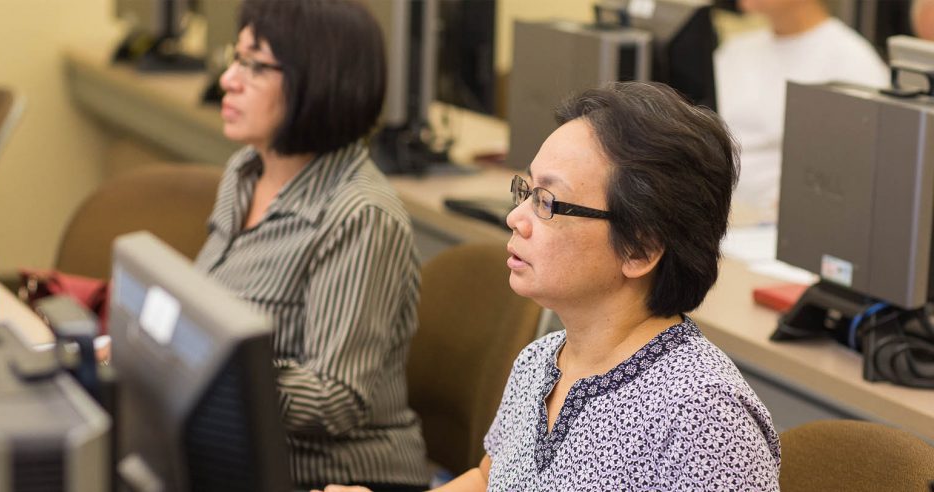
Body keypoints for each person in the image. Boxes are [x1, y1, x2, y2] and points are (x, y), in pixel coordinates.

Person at [318, 81, 781, 491]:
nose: (514, 218)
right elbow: (488, 478)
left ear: (639, 249)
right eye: (526, 191)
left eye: (548, 202)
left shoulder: (704, 417)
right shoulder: (543, 360)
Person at [193, 0, 428, 490]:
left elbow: (335, 399)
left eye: (254, 66)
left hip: (334, 478)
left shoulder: (360, 215)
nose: (227, 80)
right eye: (235, 59)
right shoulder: (244, 172)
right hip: (239, 454)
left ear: (317, 81)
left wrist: (210, 369)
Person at [715, 0, 888, 213]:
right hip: (716, 211)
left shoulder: (853, 63)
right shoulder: (736, 49)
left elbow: (852, 176)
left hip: (775, 225)